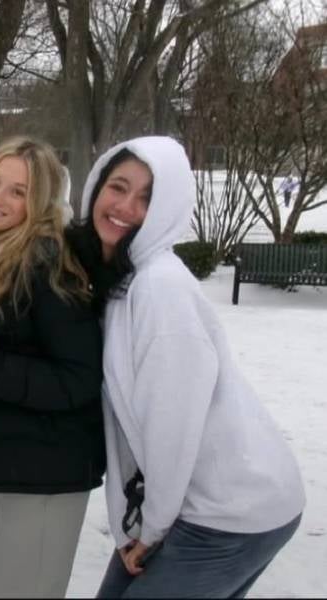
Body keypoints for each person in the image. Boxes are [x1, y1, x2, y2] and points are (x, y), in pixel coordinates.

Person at [66, 136, 305, 598]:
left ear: (167, 208)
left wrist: (151, 528)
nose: (126, 206)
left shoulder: (161, 290)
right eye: (118, 187)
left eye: (147, 198)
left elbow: (170, 424)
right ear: (96, 187)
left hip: (231, 511)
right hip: (192, 504)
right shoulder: (121, 282)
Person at [0, 136, 104, 598]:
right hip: (5, 466)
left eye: (18, 191)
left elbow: (79, 379)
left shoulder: (48, 265)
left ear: (39, 204)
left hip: (45, 476)